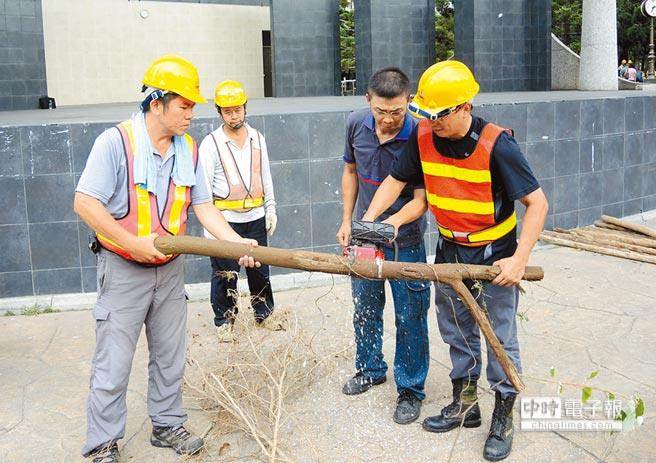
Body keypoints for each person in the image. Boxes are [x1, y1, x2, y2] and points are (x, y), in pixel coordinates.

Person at [74, 54, 259, 463]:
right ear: (156, 103)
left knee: (170, 354)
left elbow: (204, 207)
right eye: (185, 105)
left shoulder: (189, 149)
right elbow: (86, 203)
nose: (192, 113)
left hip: (169, 270)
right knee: (114, 359)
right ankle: (103, 442)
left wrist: (235, 243)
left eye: (194, 105)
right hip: (123, 268)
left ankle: (167, 423)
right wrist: (131, 241)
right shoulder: (116, 142)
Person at [362, 60, 548, 461]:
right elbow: (395, 181)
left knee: (499, 335)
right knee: (456, 329)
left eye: (439, 115)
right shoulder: (424, 137)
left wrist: (519, 259)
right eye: (427, 115)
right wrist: (370, 221)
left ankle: (503, 412)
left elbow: (537, 203)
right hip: (449, 250)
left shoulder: (498, 144)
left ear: (464, 107)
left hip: (493, 257)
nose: (431, 123)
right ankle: (466, 403)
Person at [337, 67, 431, 425]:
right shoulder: (355, 124)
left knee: (410, 313)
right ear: (368, 101)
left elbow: (421, 200)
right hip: (363, 235)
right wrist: (348, 221)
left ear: (409, 101)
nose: (389, 119)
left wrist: (392, 223)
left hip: (405, 240)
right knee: (364, 306)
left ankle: (410, 388)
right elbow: (349, 172)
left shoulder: (420, 133)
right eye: (381, 111)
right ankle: (370, 367)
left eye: (397, 111)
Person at [199, 80, 277, 342]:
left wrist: (271, 209)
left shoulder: (257, 138)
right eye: (228, 111)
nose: (234, 116)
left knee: (259, 269)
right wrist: (211, 230)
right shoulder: (211, 144)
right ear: (220, 112)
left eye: (238, 110)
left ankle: (264, 314)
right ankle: (224, 320)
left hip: (255, 216)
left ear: (245, 108)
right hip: (225, 220)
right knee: (224, 273)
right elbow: (203, 193)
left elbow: (265, 175)